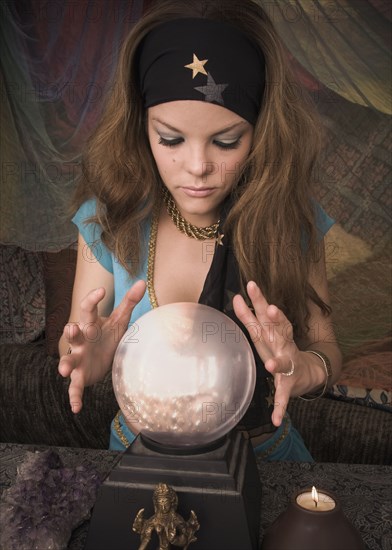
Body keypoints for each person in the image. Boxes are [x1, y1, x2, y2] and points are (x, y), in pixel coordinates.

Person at [58, 0, 342, 461]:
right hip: (138, 458)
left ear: (261, 132)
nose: (198, 167)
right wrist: (86, 357)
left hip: (265, 459)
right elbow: (78, 334)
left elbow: (325, 344)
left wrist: (309, 367)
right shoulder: (108, 220)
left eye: (227, 141)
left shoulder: (292, 221)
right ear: (139, 126)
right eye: (169, 139)